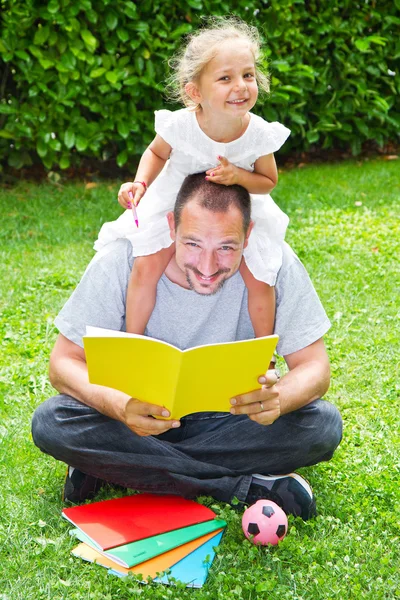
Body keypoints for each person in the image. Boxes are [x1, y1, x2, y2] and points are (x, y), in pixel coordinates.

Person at [32, 173, 342, 521]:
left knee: (323, 424)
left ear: (249, 234)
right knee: (52, 420)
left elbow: (315, 367)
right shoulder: (122, 260)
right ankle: (239, 486)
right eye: (192, 244)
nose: (207, 267)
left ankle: (113, 466)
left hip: (231, 423)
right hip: (134, 421)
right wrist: (120, 407)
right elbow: (62, 363)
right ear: (171, 227)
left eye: (226, 247)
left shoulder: (274, 262)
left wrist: (279, 398)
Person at [94, 17, 290, 339]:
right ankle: (133, 340)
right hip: (175, 202)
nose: (240, 86)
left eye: (248, 75)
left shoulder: (257, 133)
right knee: (146, 265)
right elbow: (156, 154)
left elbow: (268, 181)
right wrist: (140, 183)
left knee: (261, 276)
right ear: (195, 91)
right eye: (225, 78)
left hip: (233, 213)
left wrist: (238, 175)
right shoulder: (181, 126)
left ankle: (262, 353)